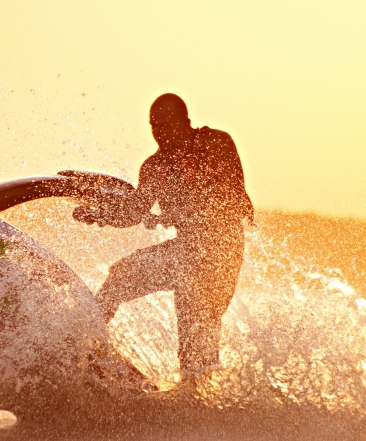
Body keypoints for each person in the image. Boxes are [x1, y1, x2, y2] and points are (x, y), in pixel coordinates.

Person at [73, 93, 253, 381]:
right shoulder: (154, 167)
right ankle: (81, 344)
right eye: (155, 127)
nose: (161, 135)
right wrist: (101, 214)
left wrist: (185, 213)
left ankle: (199, 396)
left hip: (222, 252)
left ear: (186, 122)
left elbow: (235, 200)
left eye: (167, 127)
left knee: (198, 330)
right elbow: (133, 212)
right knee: (120, 277)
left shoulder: (216, 143)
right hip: (186, 252)